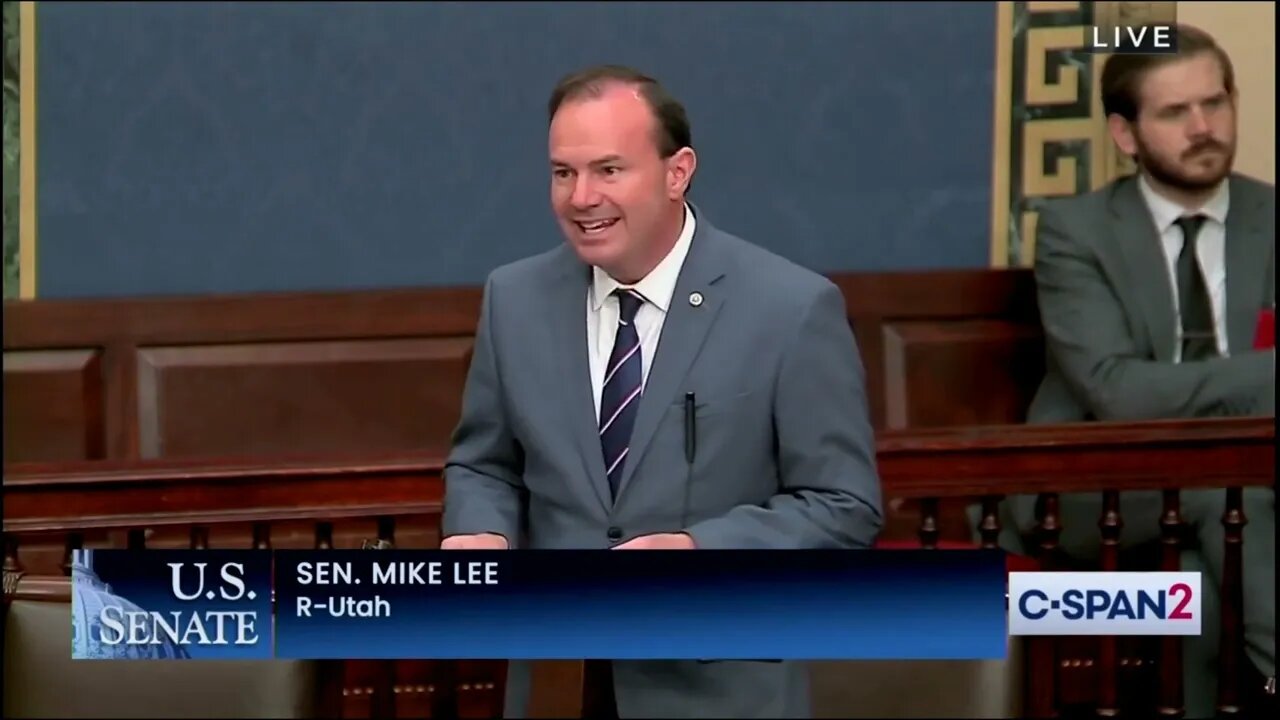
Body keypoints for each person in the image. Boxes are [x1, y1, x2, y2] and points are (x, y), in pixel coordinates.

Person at [440, 64, 883, 718]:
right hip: (560, 681)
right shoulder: (514, 300)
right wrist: (480, 532)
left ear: (677, 172)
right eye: (563, 173)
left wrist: (701, 550)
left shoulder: (789, 308)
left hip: (720, 688)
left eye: (609, 170)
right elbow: (485, 464)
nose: (581, 197)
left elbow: (845, 505)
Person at [1009, 24, 1275, 717]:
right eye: (1174, 112)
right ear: (1125, 135)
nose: (1203, 127)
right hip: (1093, 489)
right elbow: (1120, 393)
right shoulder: (1076, 232)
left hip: (1239, 501)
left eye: (1215, 103)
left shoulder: (1271, 218)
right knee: (1231, 487)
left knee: (1198, 582)